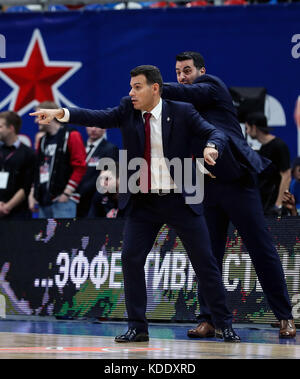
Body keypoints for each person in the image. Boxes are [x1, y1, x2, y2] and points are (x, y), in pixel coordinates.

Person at [30, 64, 241, 343]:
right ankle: (138, 327)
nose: (131, 92)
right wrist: (61, 113)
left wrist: (211, 147)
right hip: (143, 202)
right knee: (131, 259)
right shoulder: (127, 109)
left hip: (179, 198)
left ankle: (224, 324)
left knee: (205, 263)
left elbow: (215, 133)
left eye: (137, 87)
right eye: (130, 87)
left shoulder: (182, 111)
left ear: (155, 88)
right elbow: (98, 116)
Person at [162, 51, 296, 338]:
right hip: (207, 186)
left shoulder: (212, 86)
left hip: (238, 183)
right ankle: (209, 319)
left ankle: (285, 316)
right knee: (206, 255)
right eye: (178, 72)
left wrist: (152, 84)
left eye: (187, 70)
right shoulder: (180, 105)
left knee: (261, 249)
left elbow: (180, 92)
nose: (182, 76)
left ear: (201, 71)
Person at [29, 101, 87, 219]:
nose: (36, 121)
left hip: (63, 201)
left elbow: (80, 166)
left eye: (39, 116)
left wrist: (67, 193)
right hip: (44, 201)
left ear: (49, 115)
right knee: (44, 238)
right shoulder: (43, 140)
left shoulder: (71, 135)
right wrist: (33, 193)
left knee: (64, 237)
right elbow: (39, 169)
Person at [245, 112, 291, 215]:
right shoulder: (263, 149)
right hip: (263, 205)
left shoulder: (279, 146)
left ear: (254, 127)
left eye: (247, 128)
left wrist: (278, 205)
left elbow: (286, 176)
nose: (247, 132)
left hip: (274, 206)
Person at [77, 126, 119, 217]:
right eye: (90, 126)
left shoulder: (110, 149)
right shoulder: (79, 146)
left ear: (104, 129)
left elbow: (108, 176)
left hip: (95, 198)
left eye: (97, 126)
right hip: (75, 199)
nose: (93, 129)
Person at [0, 111, 35, 219]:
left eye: (0, 127)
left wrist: (7, 207)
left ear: (11, 128)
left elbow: (26, 187)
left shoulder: (28, 153)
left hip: (19, 214)